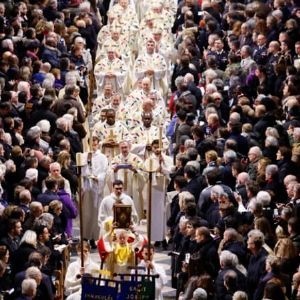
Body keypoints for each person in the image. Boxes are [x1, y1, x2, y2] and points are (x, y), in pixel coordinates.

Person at [81, 136, 108, 247]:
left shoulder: (102, 157)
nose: (94, 146)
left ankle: (94, 238)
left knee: (96, 213)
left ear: (98, 144)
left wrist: (98, 178)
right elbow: (81, 170)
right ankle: (85, 236)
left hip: (97, 186)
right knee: (87, 212)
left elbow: (105, 171)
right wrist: (87, 162)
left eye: (95, 144)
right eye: (92, 144)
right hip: (87, 186)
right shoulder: (84, 156)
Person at [109, 141, 146, 219]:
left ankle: (133, 223)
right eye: (122, 148)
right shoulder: (116, 159)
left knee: (133, 206)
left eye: (125, 147)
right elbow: (110, 173)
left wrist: (135, 170)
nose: (124, 149)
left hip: (132, 188)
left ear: (129, 147)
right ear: (119, 148)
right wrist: (114, 171)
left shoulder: (135, 158)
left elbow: (143, 172)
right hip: (120, 187)